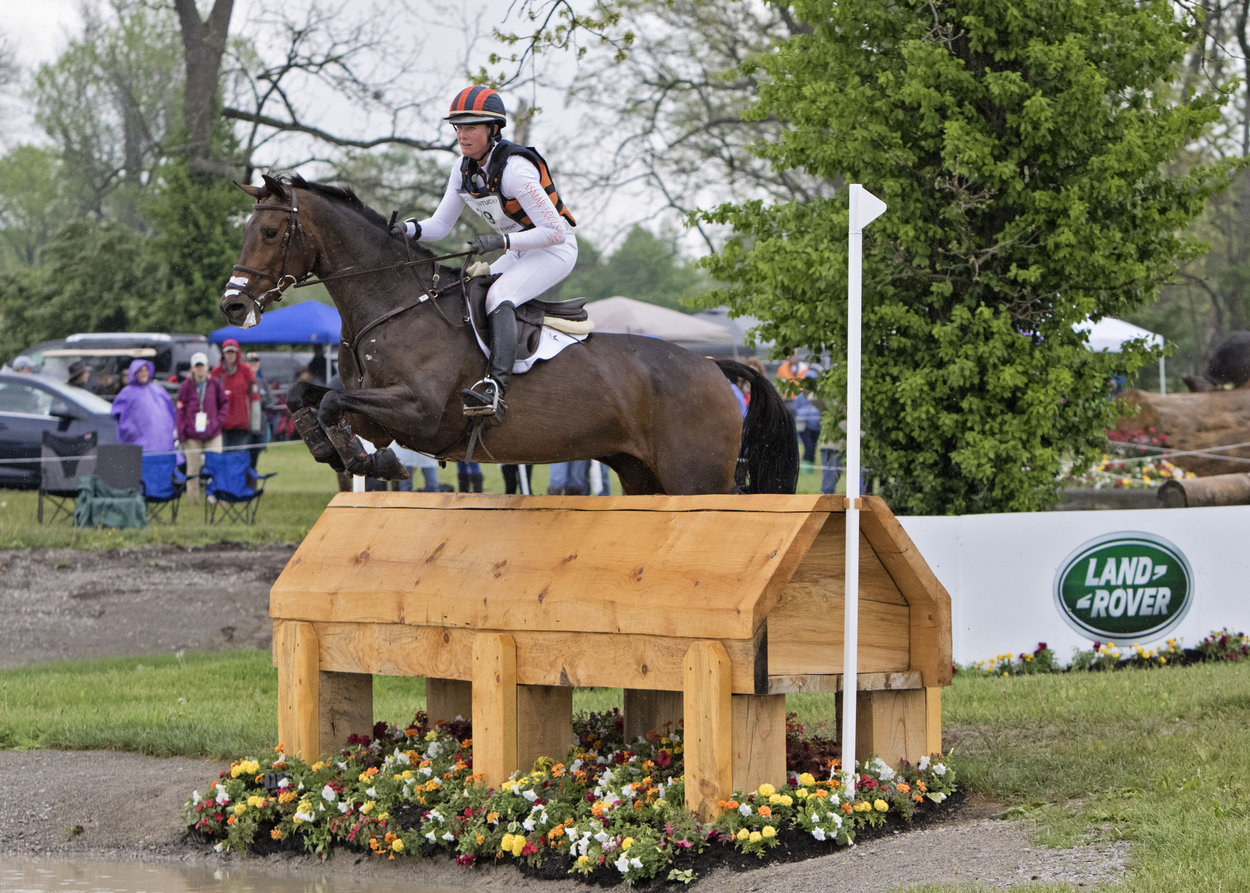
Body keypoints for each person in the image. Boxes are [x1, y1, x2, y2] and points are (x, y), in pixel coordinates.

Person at [390, 85, 578, 421]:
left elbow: (555, 232)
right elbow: (440, 226)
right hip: (521, 249)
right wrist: (408, 229)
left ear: (493, 130)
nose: (462, 135)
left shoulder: (516, 170)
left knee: (497, 297)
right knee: (464, 292)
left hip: (554, 250)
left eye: (471, 127)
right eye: (458, 127)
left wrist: (501, 243)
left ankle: (495, 387)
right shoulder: (462, 170)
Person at [176, 352, 229, 504]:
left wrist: (216, 422)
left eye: (202, 366)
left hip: (213, 433)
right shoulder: (185, 386)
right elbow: (180, 410)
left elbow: (224, 404)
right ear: (192, 368)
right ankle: (194, 501)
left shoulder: (215, 384)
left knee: (216, 466)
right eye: (197, 367)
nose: (200, 370)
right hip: (192, 435)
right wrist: (182, 432)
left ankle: (219, 498)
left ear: (207, 367)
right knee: (193, 469)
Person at [111, 358, 177, 456]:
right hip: (138, 445)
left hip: (162, 444)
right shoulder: (127, 393)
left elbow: (170, 411)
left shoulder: (159, 391)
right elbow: (116, 414)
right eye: (140, 370)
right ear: (134, 373)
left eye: (146, 370)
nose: (144, 373)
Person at [211, 339, 259, 460]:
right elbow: (211, 399)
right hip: (222, 425)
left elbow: (254, 397)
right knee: (223, 458)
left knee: (239, 458)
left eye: (233, 352)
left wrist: (255, 424)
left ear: (237, 353)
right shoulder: (216, 373)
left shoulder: (246, 371)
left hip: (242, 425)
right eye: (227, 352)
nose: (230, 355)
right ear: (223, 354)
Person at [244, 352, 279, 470]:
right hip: (246, 423)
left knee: (255, 456)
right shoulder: (243, 380)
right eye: (250, 360)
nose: (253, 363)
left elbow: (270, 400)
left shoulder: (262, 382)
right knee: (245, 455)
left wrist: (258, 402)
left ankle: (252, 485)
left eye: (256, 360)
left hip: (261, 423)